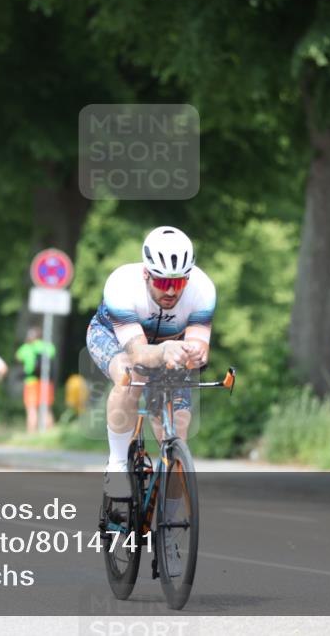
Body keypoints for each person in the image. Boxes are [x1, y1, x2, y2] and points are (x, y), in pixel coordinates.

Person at [86, 226, 216, 577]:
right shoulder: (121, 286)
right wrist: (165, 352)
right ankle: (116, 464)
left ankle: (171, 522)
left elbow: (199, 348)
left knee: (178, 427)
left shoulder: (203, 290)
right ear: (147, 274)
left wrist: (195, 352)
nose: (171, 291)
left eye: (179, 282)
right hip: (116, 340)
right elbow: (140, 352)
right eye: (162, 282)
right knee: (130, 376)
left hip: (170, 349)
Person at [16, 327, 56, 432]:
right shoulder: (48, 346)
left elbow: (18, 357)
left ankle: (31, 434)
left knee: (31, 408)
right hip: (46, 380)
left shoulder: (26, 347)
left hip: (31, 381)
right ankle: (50, 434)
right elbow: (52, 354)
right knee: (46, 408)